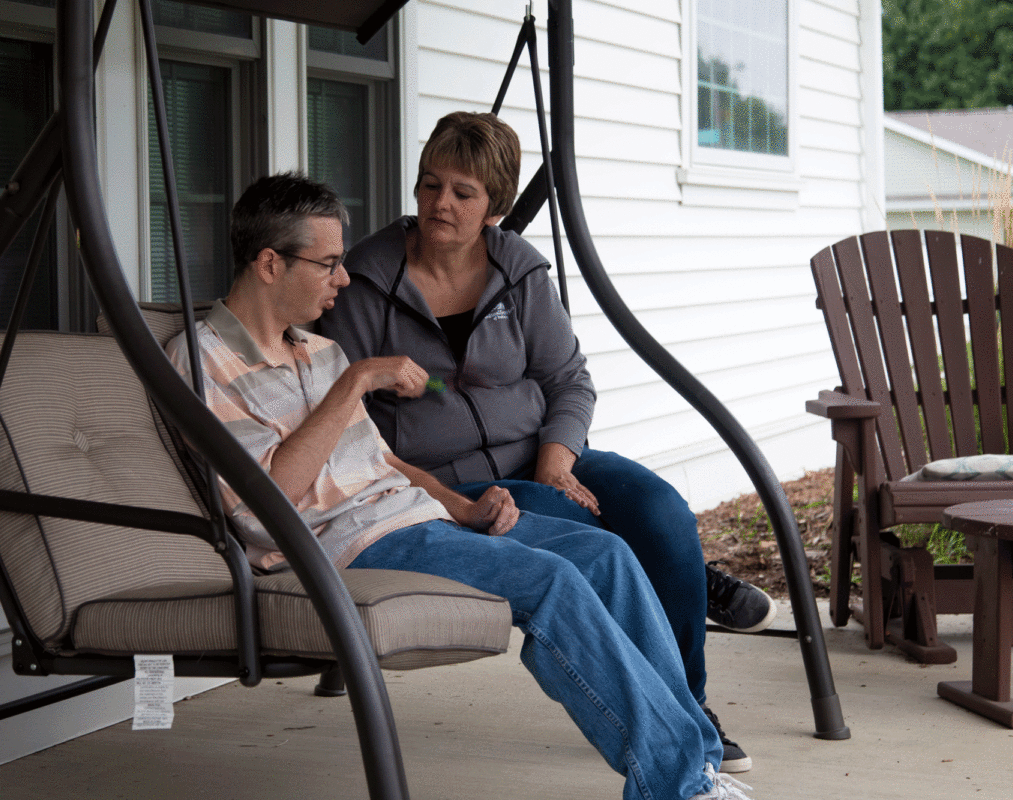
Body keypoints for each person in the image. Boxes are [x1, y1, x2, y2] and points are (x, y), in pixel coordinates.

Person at [166, 172, 756, 800]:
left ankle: (702, 763)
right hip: (344, 543)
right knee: (552, 582)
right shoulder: (201, 363)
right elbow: (266, 506)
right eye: (329, 264)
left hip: (412, 516)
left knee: (607, 554)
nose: (342, 279)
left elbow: (383, 462)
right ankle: (679, 788)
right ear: (268, 264)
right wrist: (359, 381)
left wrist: (462, 507)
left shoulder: (317, 351)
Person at [318, 111, 775, 773]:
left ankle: (688, 705)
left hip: (541, 451)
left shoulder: (518, 269)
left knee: (661, 512)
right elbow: (343, 412)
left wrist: (558, 459)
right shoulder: (365, 282)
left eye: (462, 192)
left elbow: (567, 379)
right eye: (429, 184)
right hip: (445, 482)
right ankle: (682, 668)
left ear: (495, 207)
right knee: (574, 527)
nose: (439, 203)